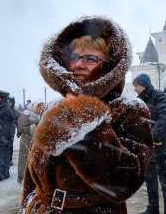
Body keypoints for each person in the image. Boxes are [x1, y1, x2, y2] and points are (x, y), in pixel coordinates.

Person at [20, 17, 153, 214]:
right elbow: (32, 176)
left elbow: (124, 183)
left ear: (109, 65)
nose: (78, 65)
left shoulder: (128, 109)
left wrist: (82, 118)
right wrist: (29, 204)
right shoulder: (55, 108)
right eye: (74, 57)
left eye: (90, 58)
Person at [133, 73, 166, 214]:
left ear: (143, 85)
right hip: (149, 148)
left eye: (136, 86)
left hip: (162, 146)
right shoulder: (141, 100)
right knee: (150, 179)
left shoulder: (158, 96)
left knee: (165, 181)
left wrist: (154, 134)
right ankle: (153, 208)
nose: (134, 89)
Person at [16, 102, 44, 183]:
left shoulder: (39, 115)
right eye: (39, 107)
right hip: (26, 140)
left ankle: (33, 177)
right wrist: (35, 127)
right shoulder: (25, 115)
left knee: (35, 158)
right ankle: (22, 176)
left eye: (41, 107)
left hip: (36, 140)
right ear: (34, 106)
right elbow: (21, 128)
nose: (40, 109)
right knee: (24, 158)